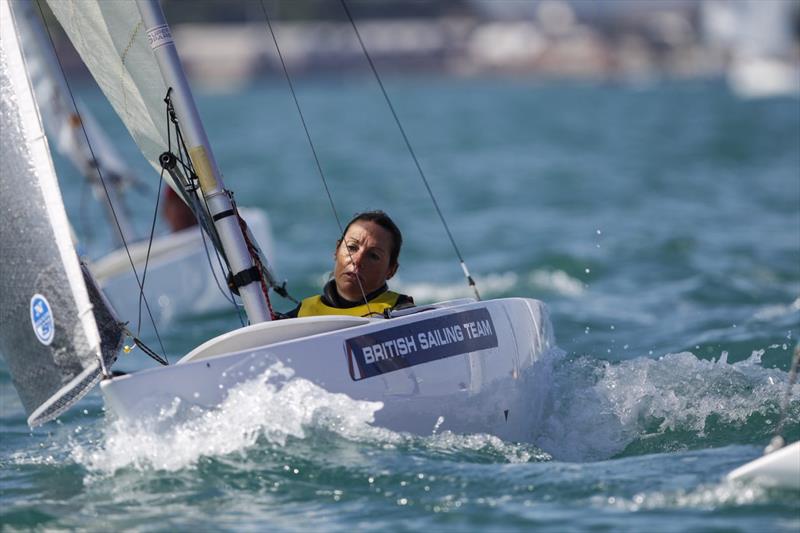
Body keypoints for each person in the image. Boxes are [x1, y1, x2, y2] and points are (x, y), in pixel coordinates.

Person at [280, 210, 414, 318]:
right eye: (352, 247)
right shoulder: (301, 314)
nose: (358, 260)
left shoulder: (402, 314)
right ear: (337, 250)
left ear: (391, 270)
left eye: (373, 256)